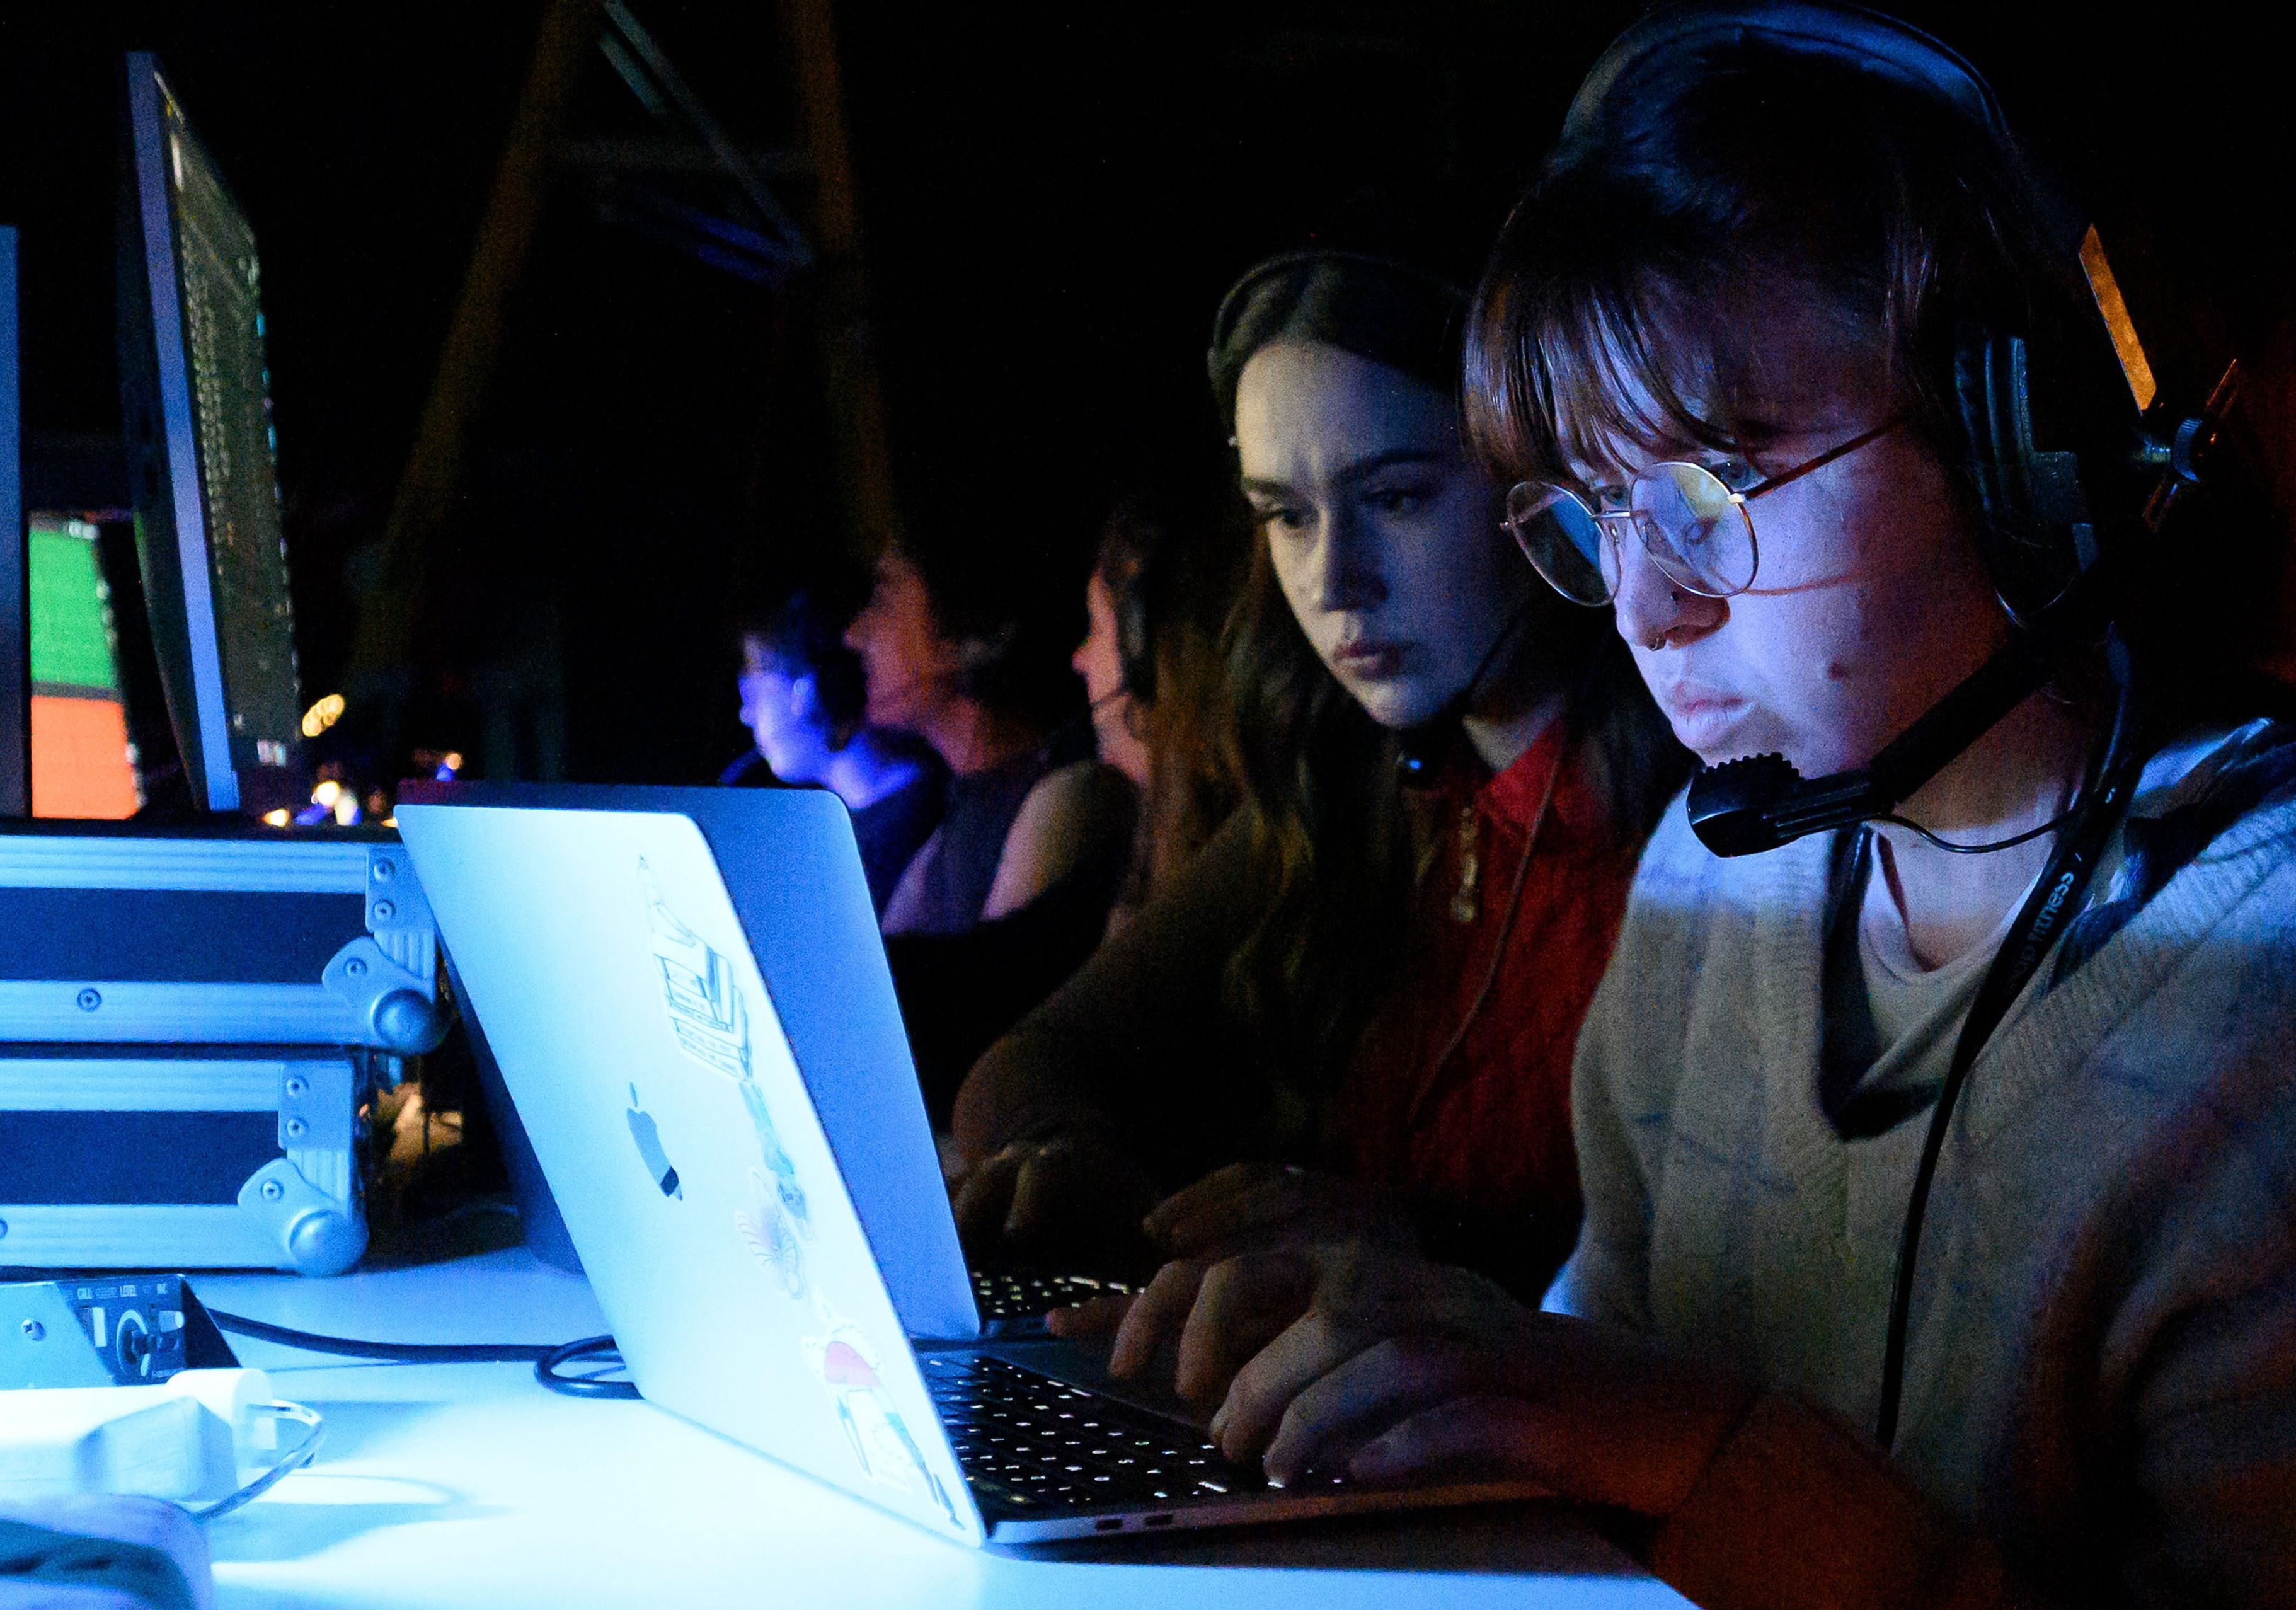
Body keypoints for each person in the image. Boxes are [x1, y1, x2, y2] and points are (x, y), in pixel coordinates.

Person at [1087, 8, 2296, 1606]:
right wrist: (1410, 1341)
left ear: (2019, 447)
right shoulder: (1708, 886)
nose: (1643, 606)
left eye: (1710, 489)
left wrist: (1715, 1457)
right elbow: (1582, 1404)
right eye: (1592, 512)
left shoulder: (2254, 1008)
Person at [949, 250, 1687, 1292]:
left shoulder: (1706, 832)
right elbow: (1037, 1060)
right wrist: (1069, 1164)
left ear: (1547, 481)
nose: (1335, 583)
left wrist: (1410, 1251)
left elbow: (1718, 1290)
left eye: (1394, 499)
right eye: (1286, 517)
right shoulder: (1363, 789)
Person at [844, 526, 1138, 1117]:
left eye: (884, 599)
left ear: (968, 638)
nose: (854, 635)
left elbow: (975, 1007)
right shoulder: (942, 816)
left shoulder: (1069, 798)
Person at [1070, 480, 1244, 923]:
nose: (1079, 660)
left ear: (1145, 659)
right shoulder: (1146, 842)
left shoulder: (1237, 865)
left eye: (1095, 629)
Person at [734, 591, 945, 912]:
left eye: (754, 693)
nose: (746, 714)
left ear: (811, 692)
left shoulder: (908, 825)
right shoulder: (844, 830)